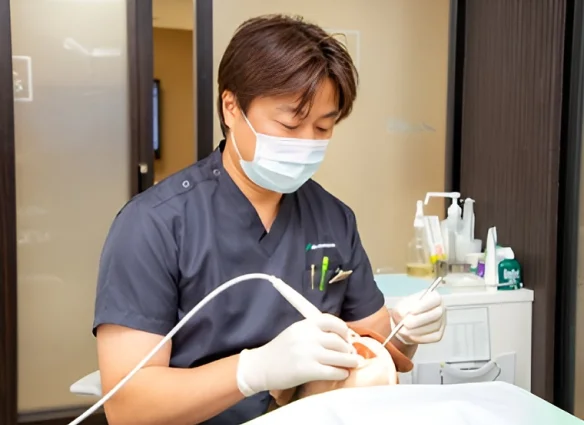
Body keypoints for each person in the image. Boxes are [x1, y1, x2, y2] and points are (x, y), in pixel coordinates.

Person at [93, 14, 446, 425]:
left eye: (322, 127)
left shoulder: (333, 219)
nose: (307, 143)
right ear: (231, 107)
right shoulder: (154, 225)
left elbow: (375, 352)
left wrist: (404, 332)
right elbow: (128, 407)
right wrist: (252, 371)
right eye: (290, 124)